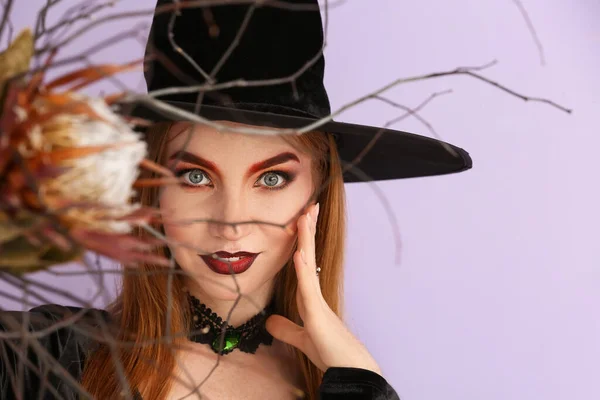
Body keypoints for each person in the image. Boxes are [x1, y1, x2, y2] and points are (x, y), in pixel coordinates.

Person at [0, 1, 472, 399]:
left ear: (318, 192)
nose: (231, 222)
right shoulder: (38, 360)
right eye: (195, 176)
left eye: (270, 179)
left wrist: (362, 385)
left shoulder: (338, 382)